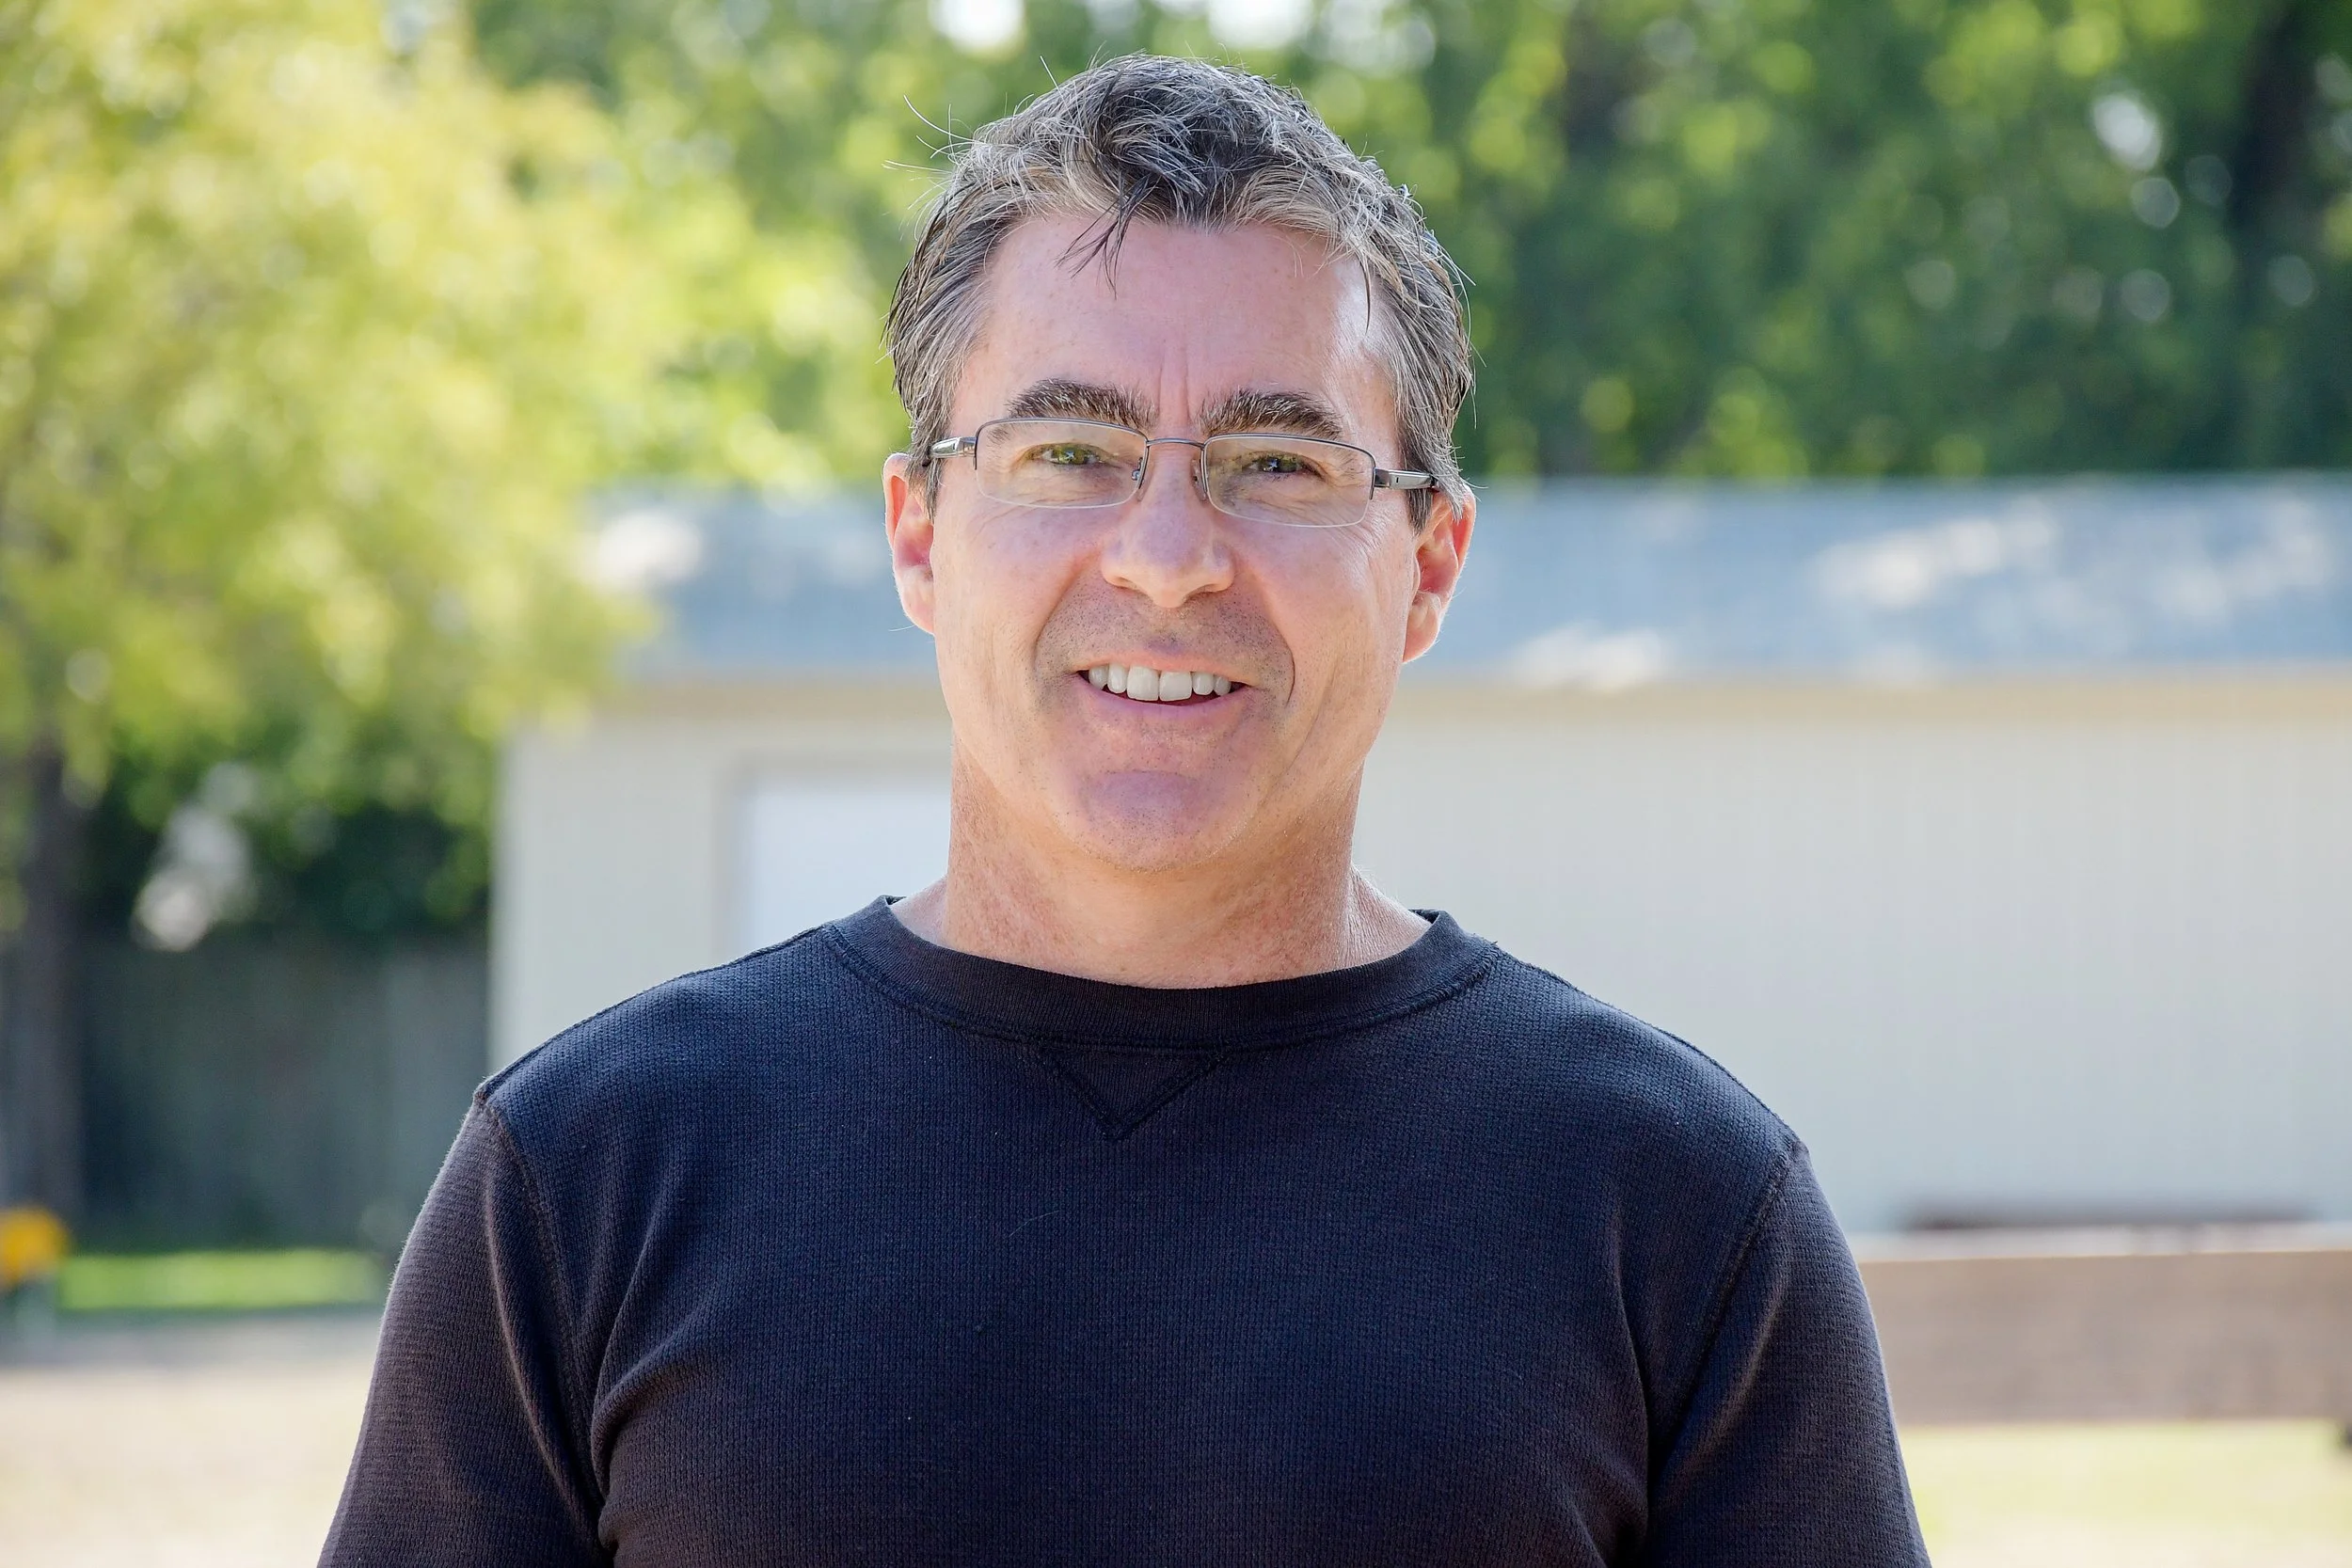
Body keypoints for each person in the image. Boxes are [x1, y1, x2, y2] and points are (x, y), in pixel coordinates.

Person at [324, 55, 1927, 1566]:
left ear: (1429, 563)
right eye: (1071, 449)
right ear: (920, 532)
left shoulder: (1675, 1207)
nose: (1167, 558)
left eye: (1277, 463)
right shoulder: (590, 1174)